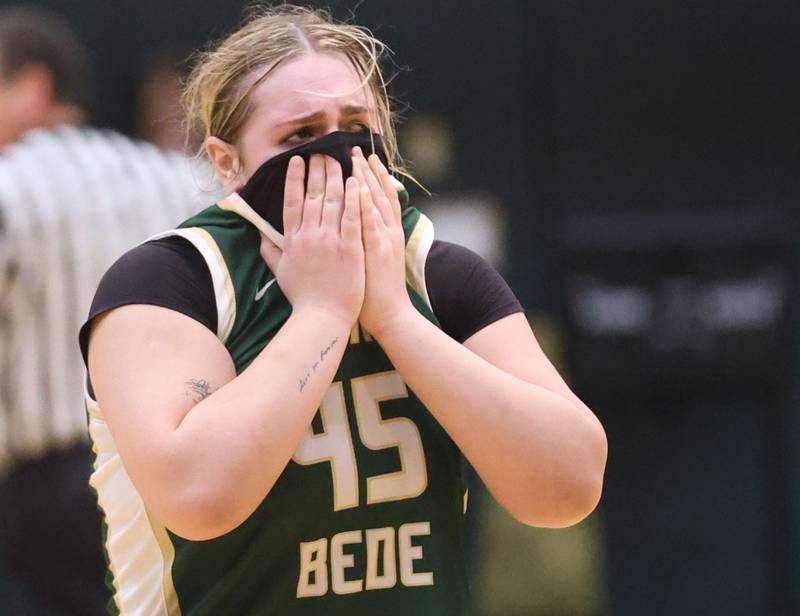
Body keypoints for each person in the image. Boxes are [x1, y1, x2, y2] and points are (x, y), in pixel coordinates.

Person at [81, 5, 608, 615]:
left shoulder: (435, 271)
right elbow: (199, 498)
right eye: (299, 135)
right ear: (227, 163)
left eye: (356, 125)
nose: (336, 152)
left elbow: (569, 487)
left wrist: (396, 319)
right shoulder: (170, 282)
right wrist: (323, 314)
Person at [0, 7, 216, 615]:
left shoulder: (10, 183)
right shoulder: (182, 178)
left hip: (52, 483)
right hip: (184, 465)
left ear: (33, 87)